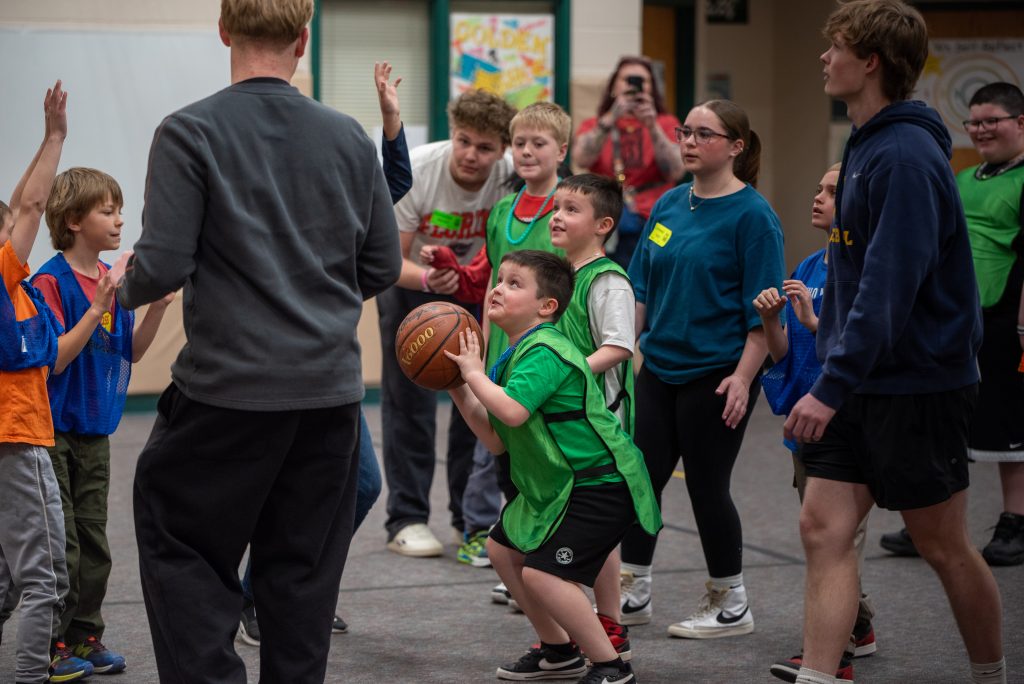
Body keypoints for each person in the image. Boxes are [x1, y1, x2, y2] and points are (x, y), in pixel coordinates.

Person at [110, 0, 402, 680]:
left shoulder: (189, 131)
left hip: (225, 397)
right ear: (303, 39)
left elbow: (161, 267)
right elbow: (382, 266)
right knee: (301, 579)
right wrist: (312, 300)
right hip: (327, 399)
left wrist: (114, 291)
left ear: (223, 33)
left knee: (182, 544)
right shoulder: (349, 137)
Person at [784, 2, 1006, 683]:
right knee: (823, 527)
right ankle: (821, 675)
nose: (825, 58)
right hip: (859, 378)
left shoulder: (906, 155)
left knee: (942, 546)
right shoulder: (865, 141)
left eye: (837, 47)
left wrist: (830, 383)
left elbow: (889, 286)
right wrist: (836, 366)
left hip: (917, 382)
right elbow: (854, 279)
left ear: (871, 60)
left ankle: (991, 675)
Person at [236, 59, 412, 645]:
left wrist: (390, 123)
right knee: (272, 488)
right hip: (260, 370)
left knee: (360, 485)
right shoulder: (249, 191)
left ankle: (279, 590)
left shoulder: (333, 179)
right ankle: (264, 597)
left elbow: (390, 188)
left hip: (326, 367)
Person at [444, 250, 660, 684]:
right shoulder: (514, 354)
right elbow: (493, 437)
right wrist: (456, 388)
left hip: (600, 483)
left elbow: (512, 412)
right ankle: (559, 650)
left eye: (514, 283)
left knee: (544, 574)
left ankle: (611, 666)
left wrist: (472, 374)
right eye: (498, 280)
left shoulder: (546, 349)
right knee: (502, 549)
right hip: (564, 484)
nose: (498, 288)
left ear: (547, 306)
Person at [618, 99, 784, 639]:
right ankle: (633, 588)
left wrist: (742, 377)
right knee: (640, 479)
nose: (689, 141)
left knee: (707, 486)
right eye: (685, 131)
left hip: (719, 372)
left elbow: (762, 314)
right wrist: (623, 350)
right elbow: (640, 287)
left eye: (704, 134)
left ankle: (730, 600)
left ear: (735, 146)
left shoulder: (754, 217)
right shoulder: (668, 204)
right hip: (659, 367)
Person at [29, 167, 172, 676]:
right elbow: (56, 359)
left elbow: (128, 350)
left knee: (95, 546)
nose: (119, 221)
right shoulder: (49, 281)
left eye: (119, 210)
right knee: (59, 549)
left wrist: (154, 309)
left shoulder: (114, 281)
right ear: (72, 220)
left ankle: (85, 636)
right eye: (106, 211)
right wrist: (97, 305)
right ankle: (48, 647)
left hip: (95, 433)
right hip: (51, 434)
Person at [879, 82, 1024, 567]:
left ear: (1020, 123)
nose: (982, 130)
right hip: (960, 318)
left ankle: (1015, 521)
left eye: (993, 120)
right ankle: (934, 520)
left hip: (1009, 317)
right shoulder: (963, 177)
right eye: (975, 122)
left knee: (1007, 422)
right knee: (948, 417)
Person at [381, 88, 516, 559]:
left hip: (478, 291)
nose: (472, 155)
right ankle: (407, 517)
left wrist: (465, 283)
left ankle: (468, 519)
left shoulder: (510, 176)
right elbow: (386, 261)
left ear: (503, 149)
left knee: (478, 397)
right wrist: (432, 280)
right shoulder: (418, 170)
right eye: (464, 141)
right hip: (413, 285)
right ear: (451, 134)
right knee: (410, 402)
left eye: (485, 147)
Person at [755, 165, 876, 683]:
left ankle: (834, 652)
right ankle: (859, 625)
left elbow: (855, 344)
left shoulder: (868, 266)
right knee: (825, 534)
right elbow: (792, 353)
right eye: (819, 188)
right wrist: (770, 323)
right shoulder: (809, 263)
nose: (818, 197)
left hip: (849, 421)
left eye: (832, 191)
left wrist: (811, 320)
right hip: (808, 418)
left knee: (836, 537)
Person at [0, 81, 87, 684]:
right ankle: (31, 675)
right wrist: (56, 136)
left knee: (7, 576)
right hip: (17, 437)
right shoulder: (1, 275)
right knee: (42, 577)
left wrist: (43, 139)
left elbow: (16, 205)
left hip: (15, 438)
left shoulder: (8, 285)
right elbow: (29, 208)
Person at [549, 172, 637, 658]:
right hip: (566, 425)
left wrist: (565, 373)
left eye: (570, 210)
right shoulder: (564, 276)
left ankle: (610, 622)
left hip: (598, 426)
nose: (557, 216)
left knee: (594, 530)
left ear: (603, 224)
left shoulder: (606, 279)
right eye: (555, 207)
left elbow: (620, 347)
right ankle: (604, 621)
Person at [571, 56, 684, 270]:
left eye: (642, 80)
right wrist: (610, 119)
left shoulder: (666, 123)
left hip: (655, 218)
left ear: (651, 88)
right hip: (608, 218)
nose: (633, 86)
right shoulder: (596, 123)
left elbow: (676, 171)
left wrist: (652, 126)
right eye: (627, 80)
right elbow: (581, 159)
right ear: (613, 86)